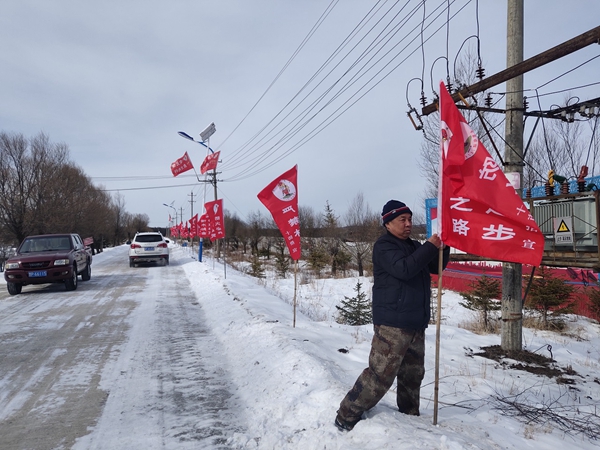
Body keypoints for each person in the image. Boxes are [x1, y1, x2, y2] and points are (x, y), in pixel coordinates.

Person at [335, 200, 450, 431]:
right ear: (388, 223)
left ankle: (409, 417)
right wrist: (429, 246)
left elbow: (435, 267)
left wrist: (443, 247)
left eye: (410, 219)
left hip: (415, 323)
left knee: (412, 375)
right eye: (402, 220)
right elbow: (404, 269)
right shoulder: (384, 246)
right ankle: (346, 415)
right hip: (393, 324)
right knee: (380, 375)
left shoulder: (414, 246)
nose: (408, 224)